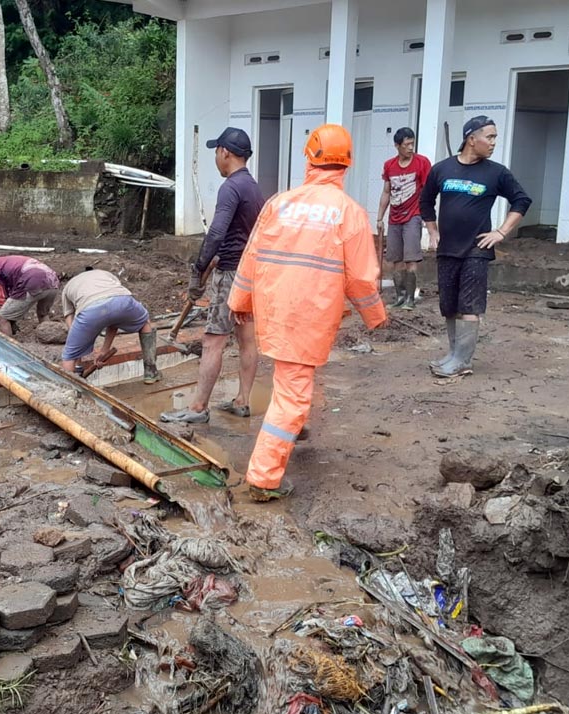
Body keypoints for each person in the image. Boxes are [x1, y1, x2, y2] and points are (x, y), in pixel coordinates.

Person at [228, 124, 387, 502]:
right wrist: (375, 316)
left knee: (290, 379)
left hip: (275, 308)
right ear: (346, 164)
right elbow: (361, 278)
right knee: (293, 393)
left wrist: (239, 301)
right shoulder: (349, 213)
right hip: (311, 315)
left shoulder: (279, 203)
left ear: (309, 158)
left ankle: (293, 427)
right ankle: (264, 479)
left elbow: (252, 257)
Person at [159, 127, 264, 425]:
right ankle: (242, 400)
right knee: (246, 338)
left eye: (216, 152)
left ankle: (197, 408)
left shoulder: (230, 187)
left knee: (213, 340)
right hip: (250, 273)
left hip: (230, 274)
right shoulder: (253, 187)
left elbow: (216, 233)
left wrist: (198, 270)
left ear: (225, 152)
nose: (216, 158)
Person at [419, 115, 531, 378]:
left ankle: (463, 360)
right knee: (449, 305)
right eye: (489, 137)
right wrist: (432, 231)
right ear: (471, 139)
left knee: (469, 305)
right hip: (447, 248)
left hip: (476, 249)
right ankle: (453, 354)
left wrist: (501, 232)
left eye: (494, 137)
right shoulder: (442, 169)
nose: (493, 143)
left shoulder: (496, 173)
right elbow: (425, 201)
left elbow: (521, 200)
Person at [59, 268, 160, 382]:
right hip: (122, 301)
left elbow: (69, 316)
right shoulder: (105, 274)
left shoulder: (69, 286)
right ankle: (151, 372)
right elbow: (113, 320)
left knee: (69, 356)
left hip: (91, 309)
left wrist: (76, 346)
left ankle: (68, 388)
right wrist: (104, 351)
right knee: (145, 323)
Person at [377, 127, 431, 309]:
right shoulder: (389, 165)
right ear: (397, 145)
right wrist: (379, 218)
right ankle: (399, 296)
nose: (410, 148)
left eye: (412, 144)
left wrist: (427, 217)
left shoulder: (422, 163)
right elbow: (386, 192)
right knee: (395, 259)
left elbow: (428, 191)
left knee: (411, 258)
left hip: (413, 216)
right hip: (394, 218)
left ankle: (410, 299)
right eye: (406, 144)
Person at [0, 253, 61, 336]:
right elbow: (11, 292)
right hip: (52, 280)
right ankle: (50, 338)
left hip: (32, 280)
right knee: (43, 313)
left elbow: (0, 298)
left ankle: (7, 345)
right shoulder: (5, 263)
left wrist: (8, 318)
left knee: (2, 318)